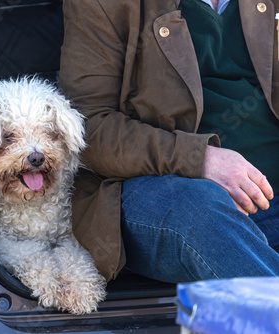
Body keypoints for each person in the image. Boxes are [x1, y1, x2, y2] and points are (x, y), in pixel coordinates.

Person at [59, 0, 279, 283]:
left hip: (267, 194)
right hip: (160, 192)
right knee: (200, 211)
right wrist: (201, 160)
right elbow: (88, 128)